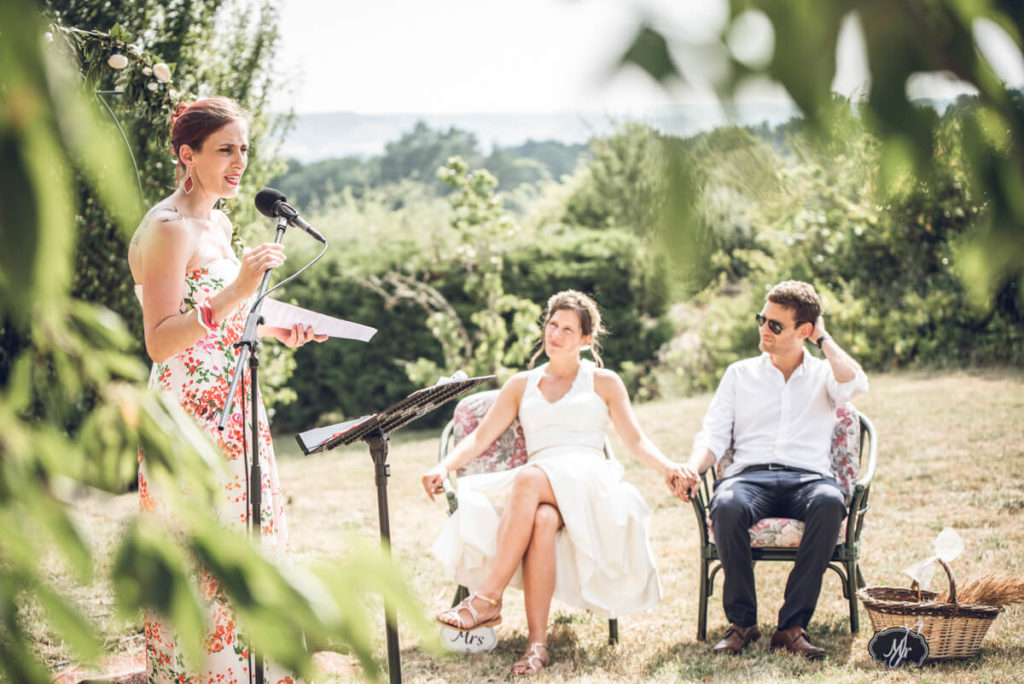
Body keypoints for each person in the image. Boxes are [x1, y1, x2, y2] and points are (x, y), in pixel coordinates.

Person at [127, 96, 324, 682]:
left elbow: (220, 316)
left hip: (239, 404)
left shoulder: (219, 221)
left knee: (250, 537)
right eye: (225, 150)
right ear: (188, 155)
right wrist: (239, 290)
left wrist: (274, 325)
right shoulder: (167, 228)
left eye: (243, 149)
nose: (239, 162)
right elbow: (161, 341)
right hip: (188, 410)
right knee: (197, 546)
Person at [421, 290, 689, 676]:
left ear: (585, 340)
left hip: (587, 477)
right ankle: (536, 647)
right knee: (543, 519)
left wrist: (667, 466)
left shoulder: (604, 382)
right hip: (542, 483)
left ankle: (488, 598)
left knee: (529, 480)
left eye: (568, 329)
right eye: (552, 325)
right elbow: (480, 438)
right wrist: (444, 466)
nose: (556, 335)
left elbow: (635, 440)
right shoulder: (521, 385)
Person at [677, 280, 868, 660]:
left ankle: (792, 627)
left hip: (808, 480)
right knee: (726, 504)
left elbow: (857, 382)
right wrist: (693, 469)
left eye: (775, 325)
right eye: (762, 319)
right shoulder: (739, 374)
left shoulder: (823, 375)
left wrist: (824, 338)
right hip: (750, 479)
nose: (764, 329)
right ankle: (743, 623)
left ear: (804, 331)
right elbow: (713, 435)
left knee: (831, 502)